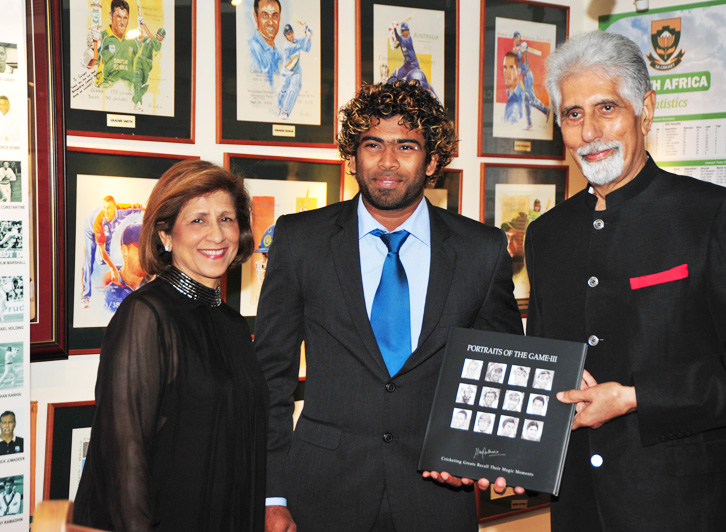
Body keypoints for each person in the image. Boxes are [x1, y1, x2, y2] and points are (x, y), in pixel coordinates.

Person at [523, 31, 726, 532]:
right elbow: (546, 366)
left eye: (607, 108)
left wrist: (636, 397)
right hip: (581, 510)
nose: (589, 132)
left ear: (645, 111)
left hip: (695, 511)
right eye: (573, 114)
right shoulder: (546, 235)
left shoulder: (715, 215)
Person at [255, 79, 522, 532]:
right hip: (322, 492)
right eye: (373, 144)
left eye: (407, 146)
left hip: (438, 494)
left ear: (432, 160)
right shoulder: (300, 240)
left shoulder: (482, 249)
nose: (387, 161)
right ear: (353, 157)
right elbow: (270, 379)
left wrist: (483, 454)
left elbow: (503, 369)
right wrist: (272, 494)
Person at [73, 161, 270, 532]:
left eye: (226, 219)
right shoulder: (145, 315)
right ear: (165, 235)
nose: (217, 235)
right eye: (198, 220)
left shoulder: (232, 323)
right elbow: (123, 457)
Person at [80, 196, 143, 308]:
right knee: (91, 260)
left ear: (115, 207)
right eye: (104, 208)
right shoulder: (98, 222)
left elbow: (140, 207)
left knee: (107, 249)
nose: (106, 211)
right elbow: (102, 250)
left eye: (108, 208)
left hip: (107, 232)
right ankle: (86, 295)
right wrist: (113, 269)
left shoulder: (122, 210)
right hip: (91, 229)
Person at [101, 222, 148, 313]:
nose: (146, 255)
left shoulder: (157, 289)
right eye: (141, 249)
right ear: (124, 251)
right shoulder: (107, 295)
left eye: (148, 249)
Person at [92, 0, 139, 89]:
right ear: (111, 15)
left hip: (128, 94)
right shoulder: (101, 38)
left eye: (125, 18)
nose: (122, 22)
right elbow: (92, 67)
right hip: (106, 92)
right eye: (118, 17)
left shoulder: (134, 42)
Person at [387, 21, 436, 97]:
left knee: (422, 81)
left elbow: (399, 39)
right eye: (404, 31)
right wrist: (393, 32)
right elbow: (395, 44)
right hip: (407, 64)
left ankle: (433, 95)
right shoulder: (401, 39)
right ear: (402, 32)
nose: (406, 32)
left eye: (407, 30)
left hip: (414, 65)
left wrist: (395, 29)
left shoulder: (408, 39)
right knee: (396, 79)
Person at [511, 31, 550, 124]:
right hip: (523, 78)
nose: (514, 41)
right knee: (526, 100)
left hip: (528, 76)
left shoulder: (523, 45)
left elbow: (524, 60)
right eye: (514, 39)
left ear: (518, 38)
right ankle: (529, 123)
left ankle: (545, 110)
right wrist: (515, 52)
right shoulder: (515, 50)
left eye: (516, 39)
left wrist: (521, 50)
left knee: (531, 100)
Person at [276, 23, 311, 120]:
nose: (291, 35)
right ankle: (279, 106)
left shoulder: (296, 40)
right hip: (287, 71)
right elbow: (299, 45)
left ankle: (286, 111)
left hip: (296, 71)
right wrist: (305, 33)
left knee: (294, 90)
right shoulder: (287, 46)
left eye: (291, 33)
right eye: (288, 34)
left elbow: (306, 48)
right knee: (283, 90)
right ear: (285, 36)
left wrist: (308, 37)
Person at [132, 22, 166, 112]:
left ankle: (135, 100)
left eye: (161, 36)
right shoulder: (149, 39)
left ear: (162, 38)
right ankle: (139, 102)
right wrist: (140, 28)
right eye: (159, 34)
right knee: (137, 80)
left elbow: (150, 35)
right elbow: (141, 39)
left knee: (143, 85)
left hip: (147, 64)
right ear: (157, 34)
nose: (159, 37)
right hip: (140, 60)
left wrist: (143, 24)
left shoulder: (158, 44)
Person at [249, 0, 282, 87]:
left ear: (279, 18)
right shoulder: (250, 51)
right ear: (256, 17)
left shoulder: (278, 51)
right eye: (265, 15)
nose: (270, 22)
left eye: (275, 16)